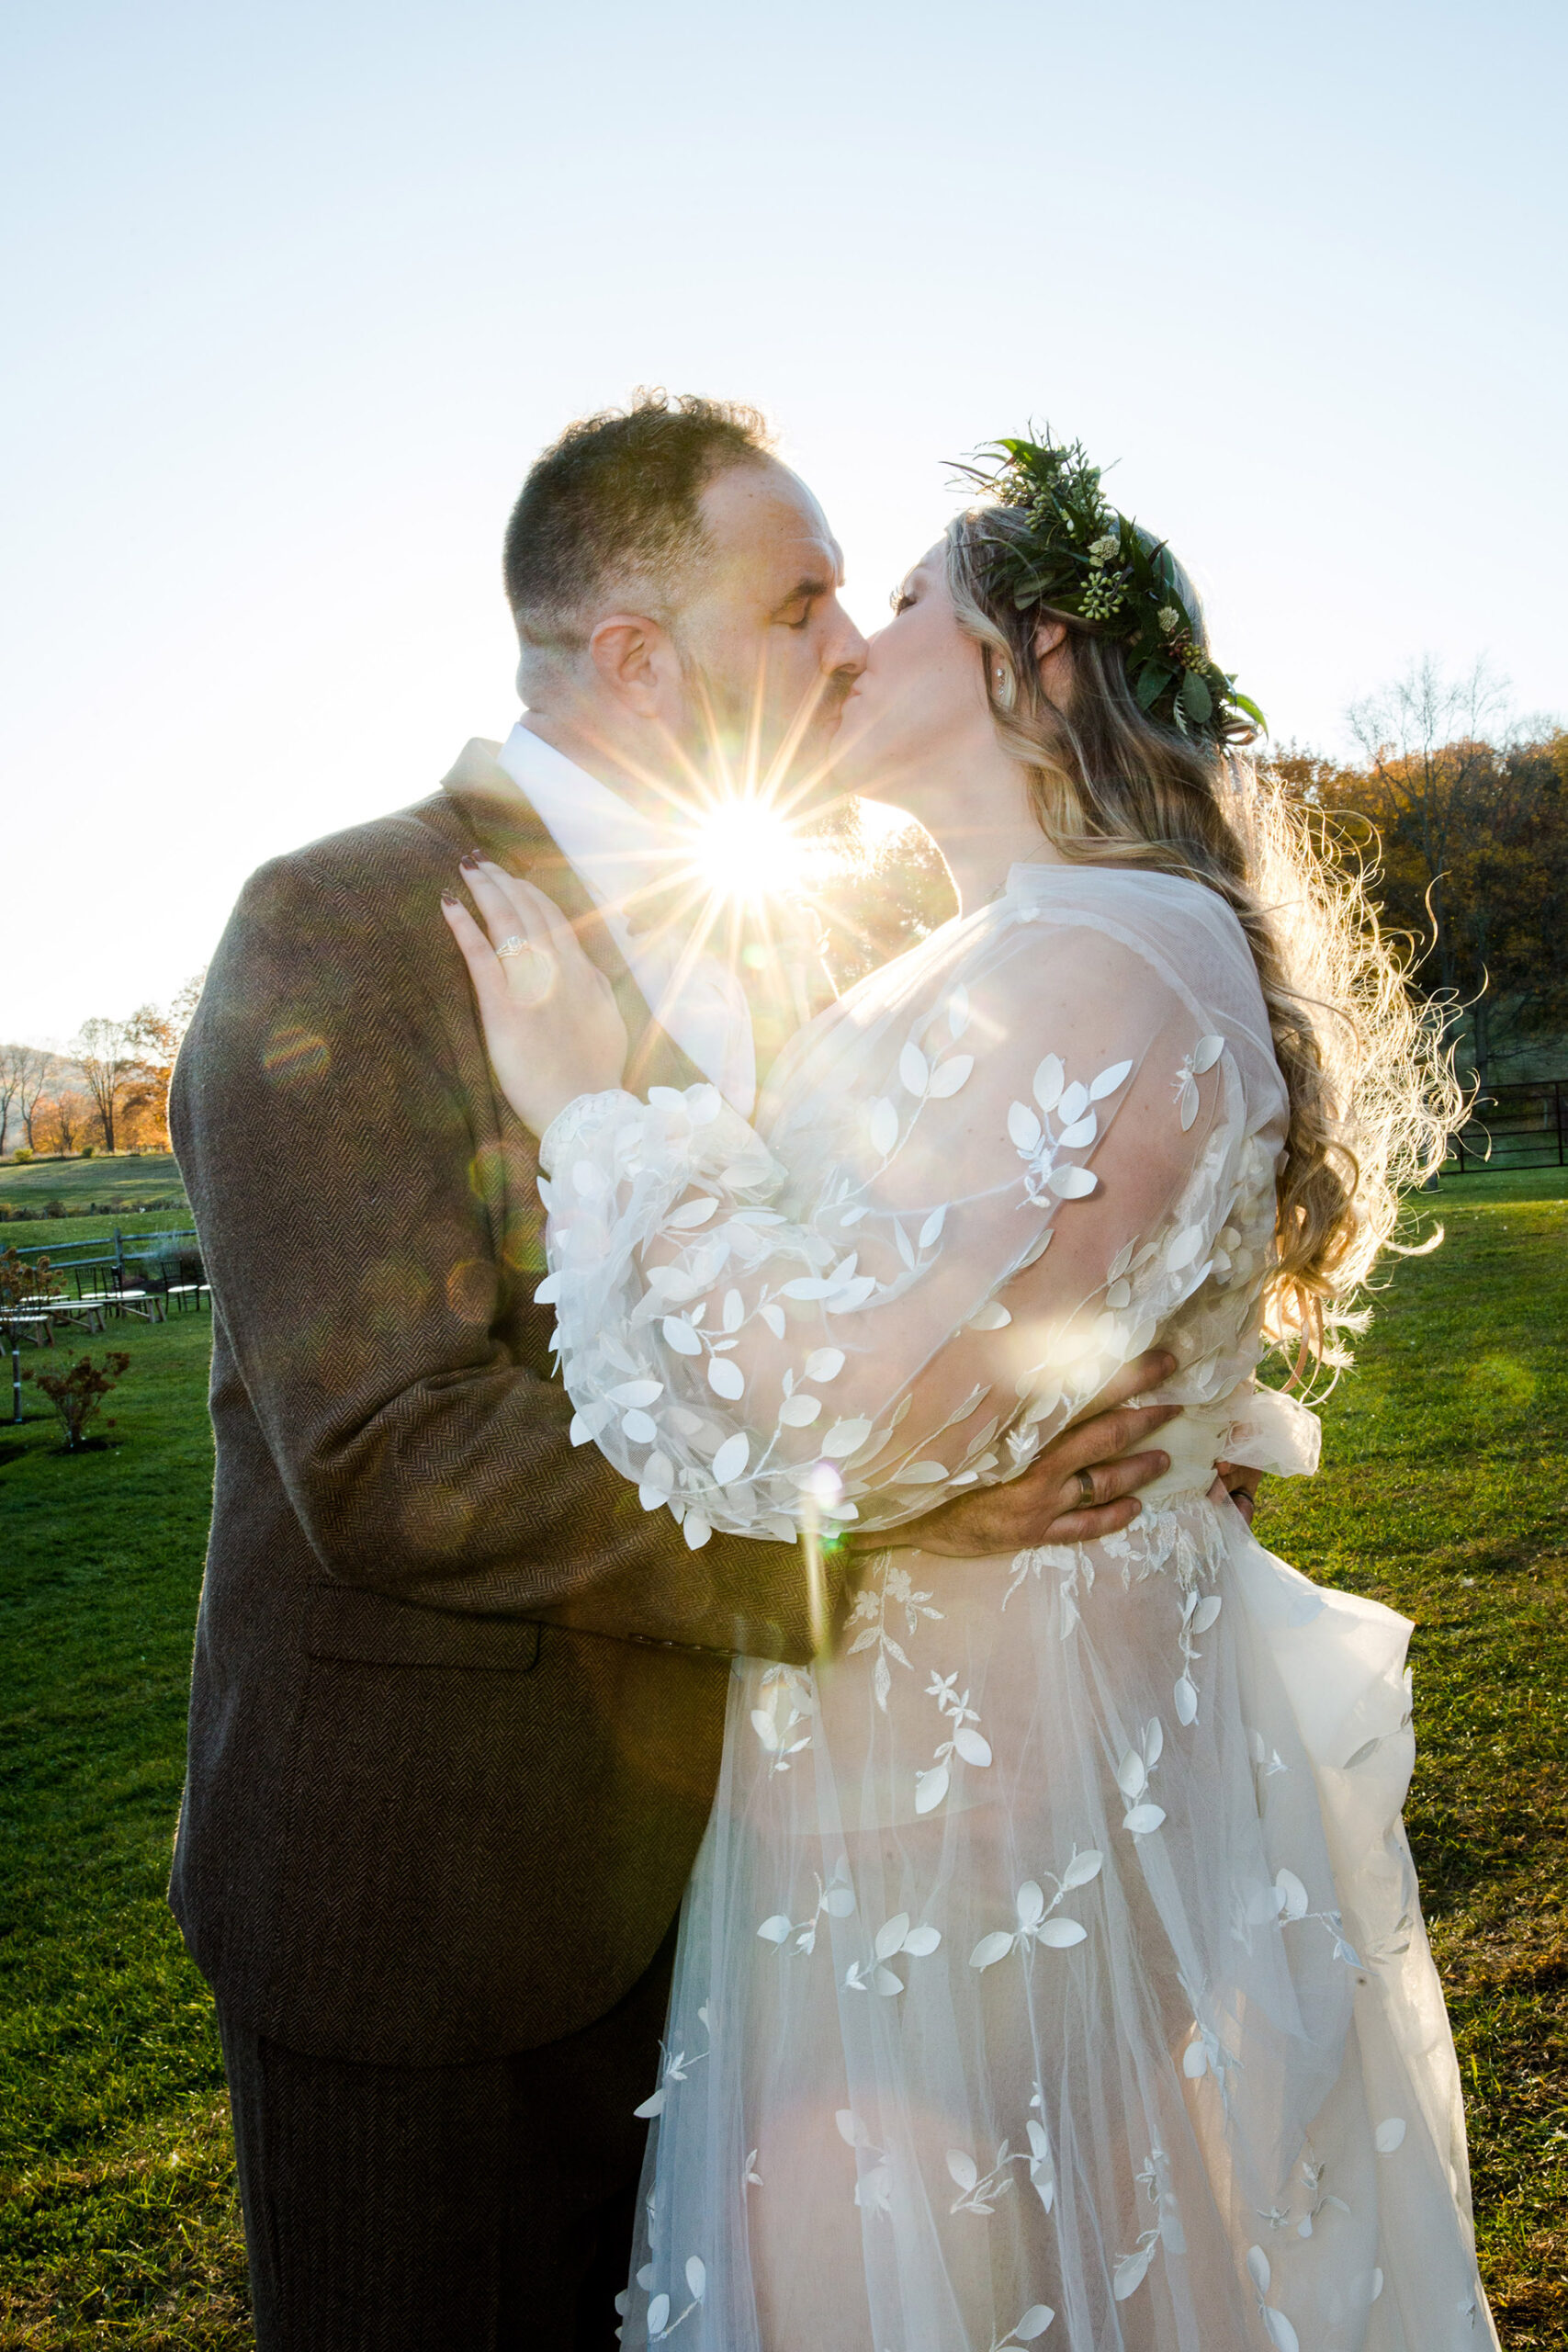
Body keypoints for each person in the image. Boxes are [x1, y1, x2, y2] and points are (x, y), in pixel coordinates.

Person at [443, 431, 1496, 2349]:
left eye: (905, 595)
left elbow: (839, 1401)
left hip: (993, 1843)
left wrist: (592, 1110)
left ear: (1046, 655)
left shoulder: (1117, 947)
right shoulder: (987, 953)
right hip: (909, 1792)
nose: (848, 644)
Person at [167, 398, 1190, 2352]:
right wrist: (874, 1533)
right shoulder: (345, 920)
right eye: (800, 599)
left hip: (790, 1896)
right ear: (636, 654)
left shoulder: (851, 937)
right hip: (444, 1896)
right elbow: (393, 1451)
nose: (850, 642)